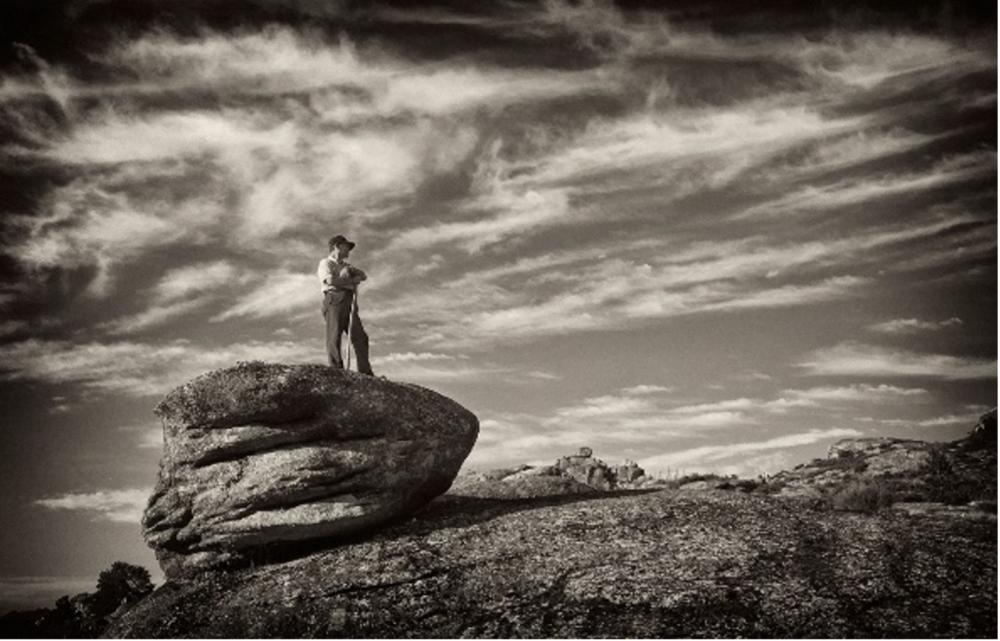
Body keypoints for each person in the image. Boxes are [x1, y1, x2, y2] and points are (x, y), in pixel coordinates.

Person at [317, 235, 374, 375]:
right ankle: (337, 370)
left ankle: (365, 372)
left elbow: (363, 276)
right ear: (336, 247)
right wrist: (350, 281)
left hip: (349, 301)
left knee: (360, 337)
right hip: (334, 299)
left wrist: (353, 274)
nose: (349, 250)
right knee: (334, 335)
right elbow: (329, 281)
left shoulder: (347, 266)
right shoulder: (326, 263)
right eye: (346, 246)